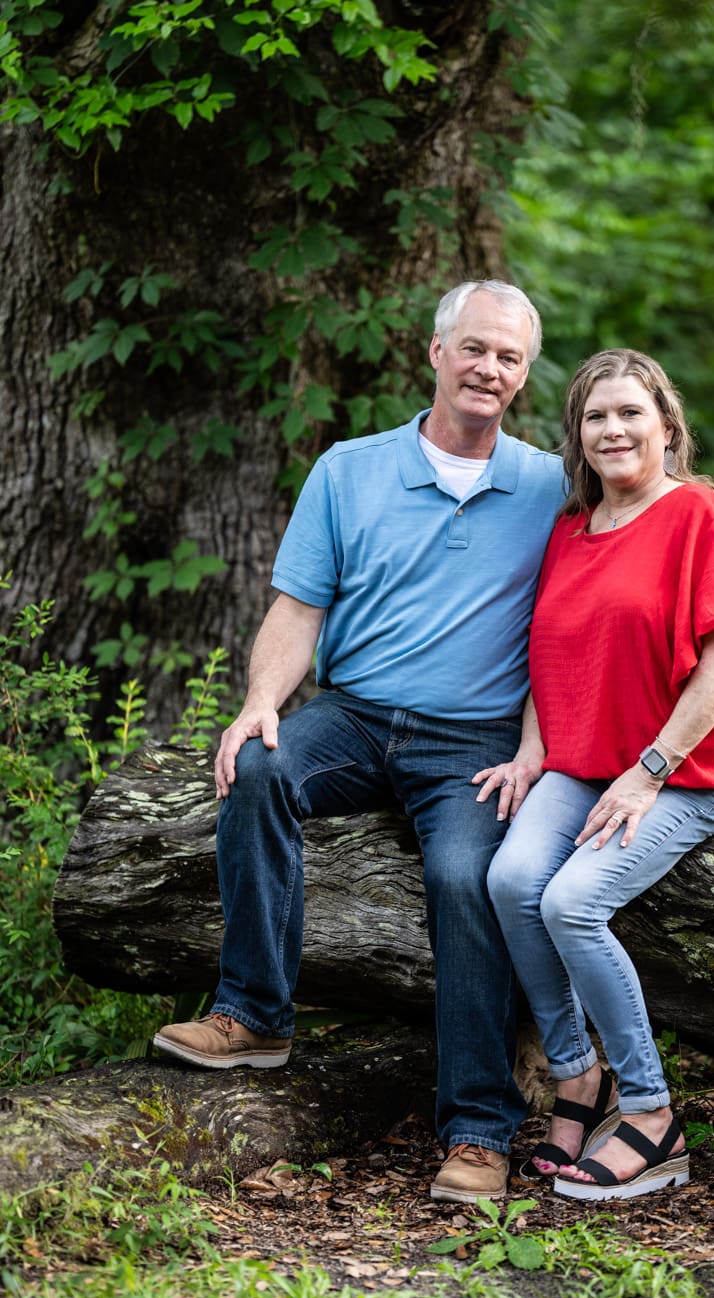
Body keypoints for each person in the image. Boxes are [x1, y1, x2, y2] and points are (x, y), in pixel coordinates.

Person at [153, 280, 566, 1205]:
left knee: (468, 879)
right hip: (356, 716)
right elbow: (298, 609)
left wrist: (541, 747)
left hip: (476, 741)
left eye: (508, 358)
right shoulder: (348, 469)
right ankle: (253, 1014)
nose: (488, 369)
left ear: (524, 376)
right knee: (256, 766)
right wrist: (263, 699)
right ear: (435, 353)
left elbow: (574, 624)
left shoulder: (549, 485)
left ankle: (478, 1133)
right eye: (474, 348)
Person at [476, 348, 714, 1201]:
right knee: (509, 880)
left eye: (630, 413)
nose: (613, 429)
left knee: (574, 902)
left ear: (666, 425)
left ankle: (651, 1114)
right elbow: (550, 658)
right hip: (585, 762)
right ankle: (579, 1078)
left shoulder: (698, 515)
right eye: (595, 416)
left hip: (688, 770)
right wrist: (534, 750)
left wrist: (648, 773)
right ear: (578, 436)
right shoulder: (572, 531)